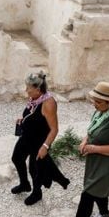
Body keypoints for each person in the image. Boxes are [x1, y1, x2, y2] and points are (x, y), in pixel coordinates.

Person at [55, 82, 109, 217]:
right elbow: (92, 131)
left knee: (88, 192)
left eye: (98, 102)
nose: (94, 105)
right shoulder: (100, 113)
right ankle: (104, 213)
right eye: (94, 100)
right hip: (96, 161)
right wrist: (85, 141)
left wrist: (95, 148)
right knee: (97, 189)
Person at [11, 71, 70, 205]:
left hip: (39, 141)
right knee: (16, 158)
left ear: (38, 89)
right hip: (27, 137)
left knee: (34, 169)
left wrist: (45, 146)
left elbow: (54, 129)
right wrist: (24, 119)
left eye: (29, 88)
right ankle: (24, 184)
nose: (26, 91)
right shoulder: (35, 98)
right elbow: (33, 114)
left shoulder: (48, 103)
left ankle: (37, 193)